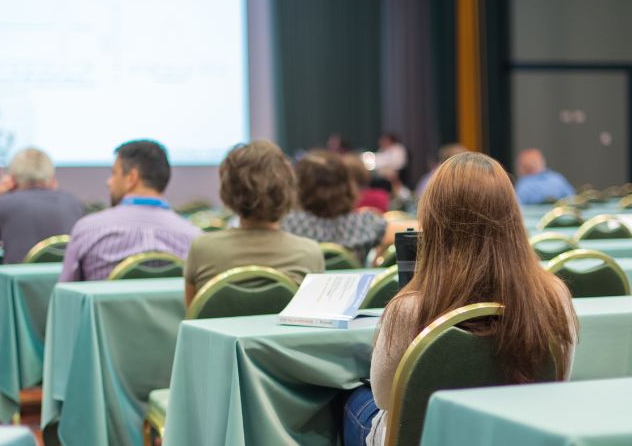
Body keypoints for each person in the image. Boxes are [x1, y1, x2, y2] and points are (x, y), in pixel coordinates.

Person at [343, 152, 578, 446]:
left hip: (423, 438)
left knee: (351, 400)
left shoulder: (408, 308)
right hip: (514, 437)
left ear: (433, 221)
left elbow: (385, 396)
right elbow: (559, 378)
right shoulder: (554, 296)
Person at [184, 141, 324, 307]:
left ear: (227, 190)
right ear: (288, 187)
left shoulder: (202, 249)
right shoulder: (309, 253)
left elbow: (192, 318)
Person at [59, 140, 200, 282]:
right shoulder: (195, 239)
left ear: (132, 178)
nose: (108, 182)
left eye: (114, 173)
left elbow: (65, 295)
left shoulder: (87, 230)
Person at [282, 151, 414, 263]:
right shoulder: (363, 223)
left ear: (298, 187)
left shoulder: (287, 225)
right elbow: (418, 229)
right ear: (347, 186)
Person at [0, 148, 85, 264]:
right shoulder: (74, 202)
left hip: (20, 280)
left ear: (12, 179)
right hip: (65, 279)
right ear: (52, 178)